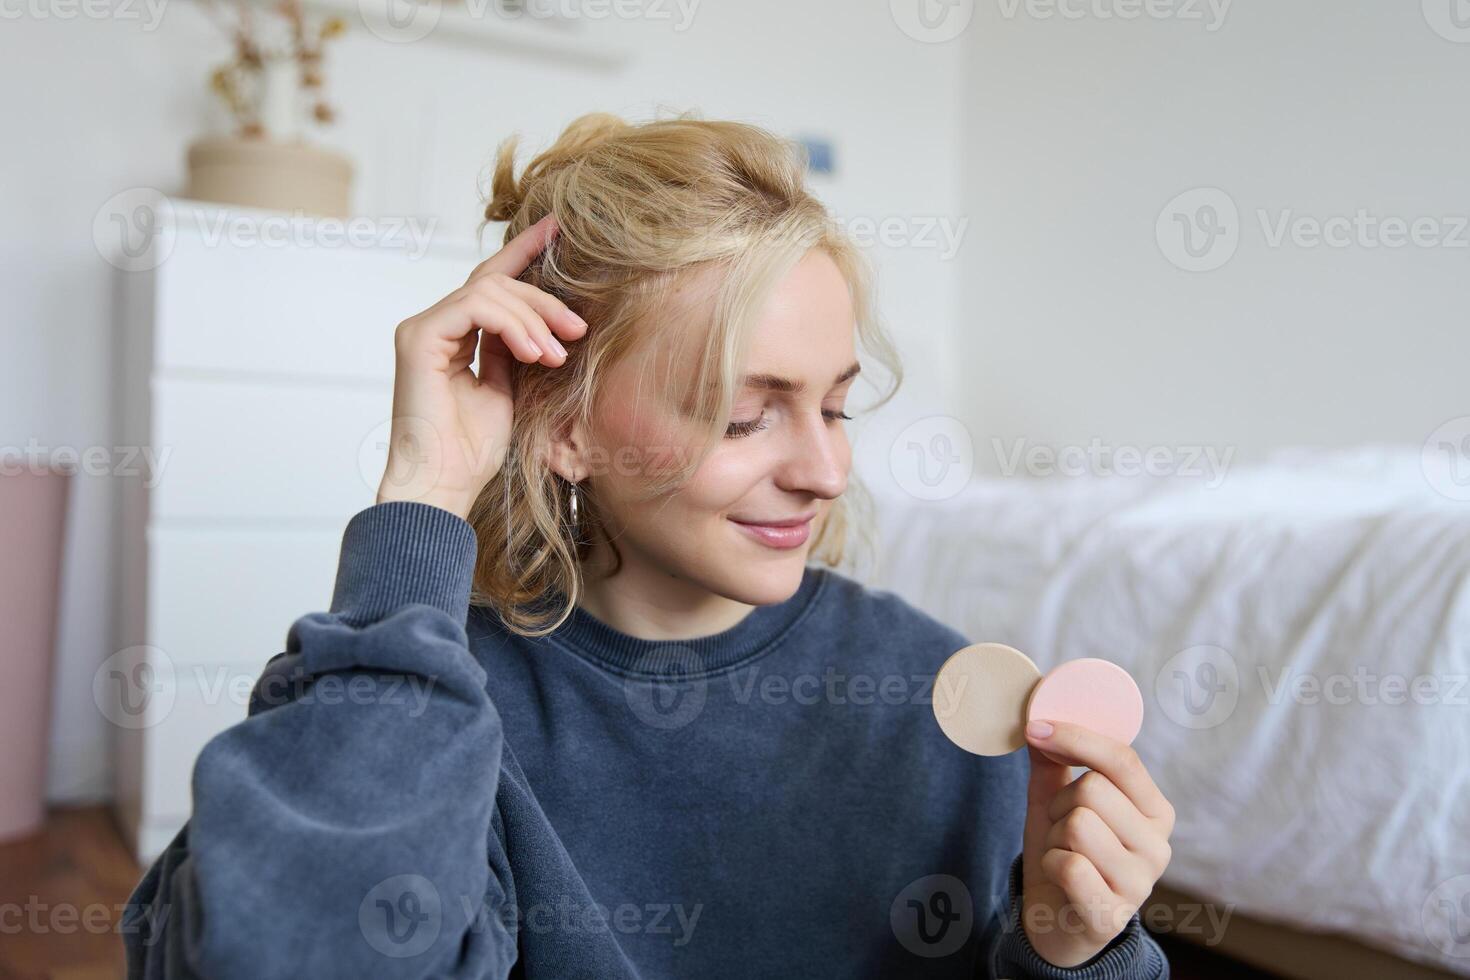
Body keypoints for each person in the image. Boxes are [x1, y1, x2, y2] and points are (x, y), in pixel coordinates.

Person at [122, 111, 1173, 979]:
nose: (825, 470)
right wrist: (425, 496)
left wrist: (1074, 951)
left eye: (838, 409)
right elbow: (288, 953)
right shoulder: (432, 700)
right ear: (565, 426)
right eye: (744, 413)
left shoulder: (939, 697)